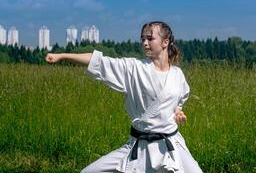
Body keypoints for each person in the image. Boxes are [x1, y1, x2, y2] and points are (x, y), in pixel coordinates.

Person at [45, 21, 203, 173]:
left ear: (165, 42)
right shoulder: (133, 68)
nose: (144, 43)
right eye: (142, 39)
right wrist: (62, 56)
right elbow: (98, 61)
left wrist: (178, 112)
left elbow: (177, 102)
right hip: (139, 145)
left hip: (171, 146)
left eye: (150, 38)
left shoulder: (177, 75)